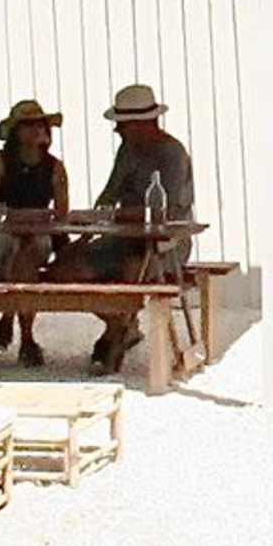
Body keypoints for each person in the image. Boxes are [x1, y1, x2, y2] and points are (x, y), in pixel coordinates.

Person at [83, 83, 195, 373]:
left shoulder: (172, 153)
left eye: (122, 125)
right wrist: (95, 216)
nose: (117, 131)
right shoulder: (127, 150)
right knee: (66, 270)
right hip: (121, 237)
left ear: (142, 123)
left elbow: (166, 213)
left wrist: (121, 215)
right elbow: (110, 192)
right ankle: (121, 324)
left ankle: (116, 337)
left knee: (135, 268)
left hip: (165, 243)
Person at [0, 99, 70, 364]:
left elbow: (62, 213)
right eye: (28, 125)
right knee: (16, 251)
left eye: (40, 124)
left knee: (27, 253)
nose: (36, 129)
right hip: (1, 235)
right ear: (16, 132)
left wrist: (34, 219)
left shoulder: (55, 167)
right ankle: (26, 337)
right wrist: (18, 216)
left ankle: (11, 323)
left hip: (37, 235)